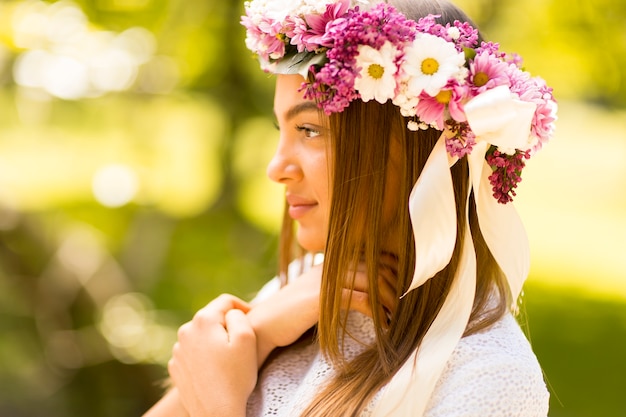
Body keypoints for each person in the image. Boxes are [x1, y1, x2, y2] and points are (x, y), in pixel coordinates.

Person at [143, 0, 557, 416]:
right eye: (281, 130)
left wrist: (217, 403)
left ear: (413, 145)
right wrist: (258, 333)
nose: (276, 169)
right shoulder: (307, 293)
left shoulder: (489, 379)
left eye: (309, 130)